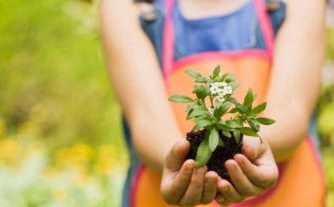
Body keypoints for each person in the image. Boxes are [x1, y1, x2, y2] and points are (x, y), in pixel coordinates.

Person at [99, 0, 326, 206]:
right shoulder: (128, 6)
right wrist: (185, 162)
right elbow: (146, 119)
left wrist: (251, 146)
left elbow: (292, 109)